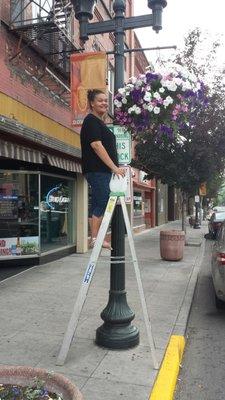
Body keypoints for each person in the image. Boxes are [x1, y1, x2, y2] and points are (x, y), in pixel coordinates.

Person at [80, 89, 125, 249]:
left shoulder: (99, 122)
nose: (105, 103)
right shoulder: (91, 121)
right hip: (98, 170)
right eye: (100, 100)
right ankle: (95, 238)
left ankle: (95, 237)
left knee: (101, 200)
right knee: (102, 200)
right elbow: (96, 145)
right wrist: (114, 168)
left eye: (106, 100)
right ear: (92, 103)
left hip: (101, 171)